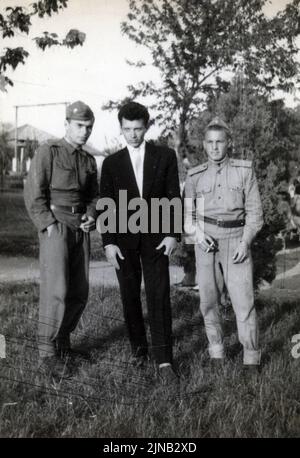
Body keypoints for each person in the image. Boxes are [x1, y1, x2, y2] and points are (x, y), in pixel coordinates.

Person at [99, 101, 181, 385]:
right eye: (127, 129)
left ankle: (164, 360)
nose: (133, 134)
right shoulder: (111, 163)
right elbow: (105, 204)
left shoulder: (165, 156)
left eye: (138, 128)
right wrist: (109, 243)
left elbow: (174, 198)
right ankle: (139, 350)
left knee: (159, 296)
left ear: (147, 126)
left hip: (157, 240)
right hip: (123, 241)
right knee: (130, 296)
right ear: (121, 129)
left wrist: (173, 234)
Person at [24, 101, 99, 378]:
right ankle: (47, 352)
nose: (84, 132)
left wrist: (92, 214)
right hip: (57, 225)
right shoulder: (49, 151)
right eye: (80, 126)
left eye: (89, 127)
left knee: (79, 289)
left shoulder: (89, 160)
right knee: (56, 288)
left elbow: (94, 195)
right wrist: (48, 225)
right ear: (67, 124)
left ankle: (63, 342)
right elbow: (34, 193)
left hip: (81, 226)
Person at [184, 117, 264, 372]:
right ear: (204, 145)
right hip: (206, 243)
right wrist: (197, 234)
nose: (215, 147)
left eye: (220, 142)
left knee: (244, 302)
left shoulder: (244, 171)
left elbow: (255, 213)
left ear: (229, 143)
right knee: (208, 300)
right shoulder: (194, 175)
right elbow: (187, 215)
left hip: (236, 242)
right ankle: (216, 352)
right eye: (210, 142)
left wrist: (245, 241)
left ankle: (251, 356)